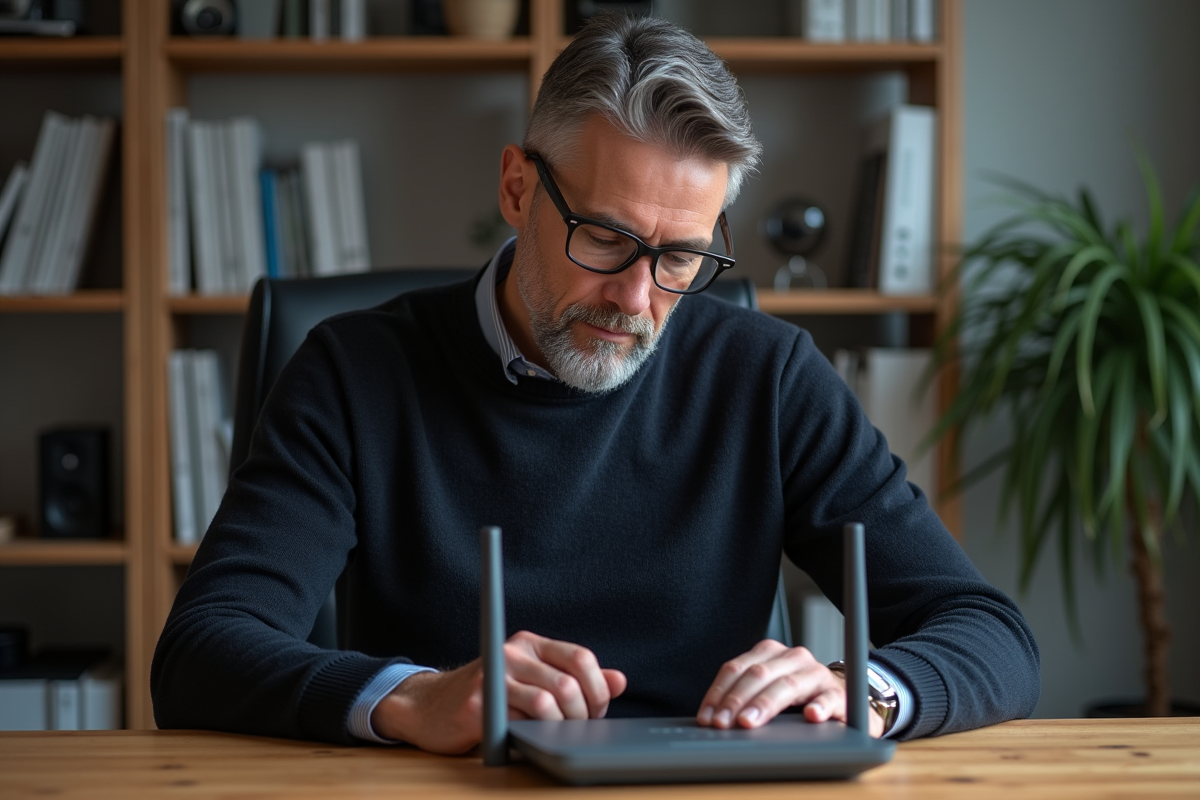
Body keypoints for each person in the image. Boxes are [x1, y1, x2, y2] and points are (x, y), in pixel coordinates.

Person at [151, 13, 1040, 754]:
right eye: (607, 240)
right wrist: (412, 697)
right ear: (516, 188)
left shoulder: (769, 378)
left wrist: (868, 690)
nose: (637, 299)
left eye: (681, 257)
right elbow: (201, 649)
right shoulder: (353, 373)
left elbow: (989, 632)